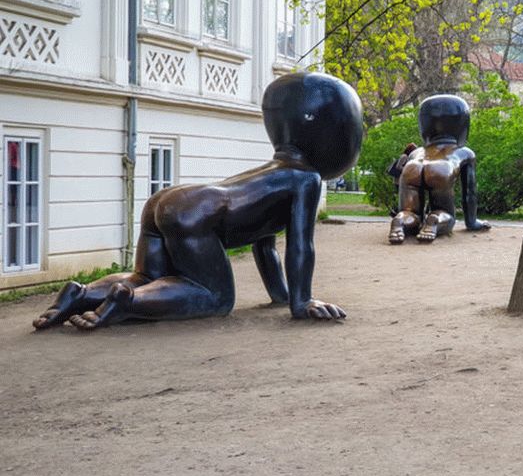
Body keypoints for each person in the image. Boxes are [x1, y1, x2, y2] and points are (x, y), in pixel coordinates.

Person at [33, 72, 363, 330]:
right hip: (197, 212)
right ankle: (127, 300)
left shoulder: (272, 173)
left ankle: (82, 294)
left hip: (171, 201)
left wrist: (282, 296)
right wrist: (302, 302)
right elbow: (300, 245)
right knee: (214, 298)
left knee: (147, 277)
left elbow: (266, 247)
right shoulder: (305, 178)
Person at [388, 95, 490, 244]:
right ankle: (435, 219)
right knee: (446, 214)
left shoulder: (416, 152)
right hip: (441, 170)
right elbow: (470, 193)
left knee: (410, 212)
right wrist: (472, 222)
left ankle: (401, 220)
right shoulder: (465, 152)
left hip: (412, 168)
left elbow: (397, 175)